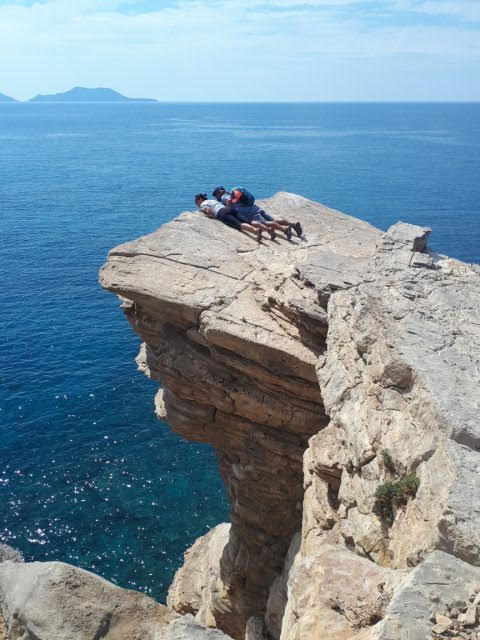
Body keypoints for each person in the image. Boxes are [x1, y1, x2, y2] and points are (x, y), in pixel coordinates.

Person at [212, 186, 303, 240]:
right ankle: (293, 224)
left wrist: (229, 209)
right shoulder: (231, 193)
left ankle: (285, 229)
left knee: (265, 223)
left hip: (249, 212)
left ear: (219, 193)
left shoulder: (224, 196)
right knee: (272, 219)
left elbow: (228, 201)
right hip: (254, 208)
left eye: (216, 195)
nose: (216, 198)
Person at [194, 193, 263, 243]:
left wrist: (209, 215)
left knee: (239, 224)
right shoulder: (212, 200)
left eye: (196, 202)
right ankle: (265, 229)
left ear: (200, 199)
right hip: (228, 208)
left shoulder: (203, 204)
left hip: (221, 213)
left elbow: (208, 210)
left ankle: (256, 231)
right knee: (248, 221)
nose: (197, 205)